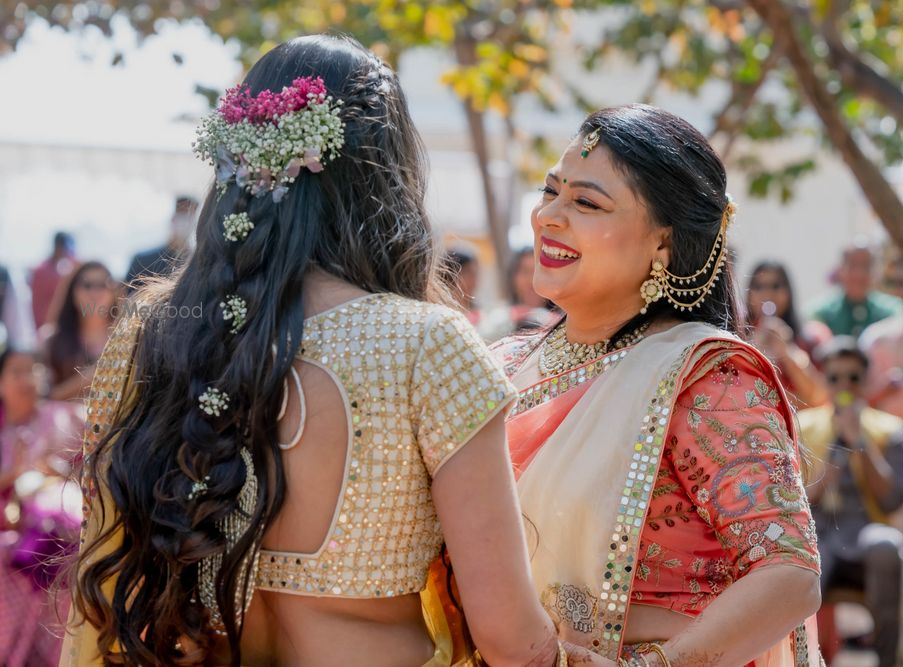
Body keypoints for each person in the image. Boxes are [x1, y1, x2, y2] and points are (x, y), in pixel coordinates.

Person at [61, 35, 599, 667]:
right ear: (385, 175)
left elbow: (100, 567)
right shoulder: (427, 347)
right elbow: (510, 640)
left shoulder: (154, 330)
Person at [491, 105, 822, 667]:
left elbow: (788, 574)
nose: (549, 216)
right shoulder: (504, 362)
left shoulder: (705, 379)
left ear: (664, 246)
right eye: (551, 192)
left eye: (586, 203)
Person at [798, 337, 903, 667]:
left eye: (853, 378)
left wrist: (860, 442)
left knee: (887, 546)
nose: (844, 385)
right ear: (825, 380)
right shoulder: (805, 427)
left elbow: (892, 499)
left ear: (865, 381)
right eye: (835, 378)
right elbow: (795, 499)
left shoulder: (889, 430)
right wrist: (827, 467)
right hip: (820, 534)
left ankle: (889, 659)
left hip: (866, 530)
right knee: (799, 560)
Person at [0, 347, 84, 666]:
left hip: (64, 534)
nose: (26, 378)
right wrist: (15, 475)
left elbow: (96, 465)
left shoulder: (67, 419)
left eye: (33, 369)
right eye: (16, 371)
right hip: (14, 542)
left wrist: (61, 473)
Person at [859, 250, 903, 484]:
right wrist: (881, 390)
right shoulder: (877, 338)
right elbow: (853, 396)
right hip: (891, 458)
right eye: (901, 282)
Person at [745, 260, 829, 408]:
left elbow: (819, 396)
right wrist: (753, 349)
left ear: (788, 291)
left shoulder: (812, 336)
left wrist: (787, 353)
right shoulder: (737, 336)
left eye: (776, 286)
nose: (768, 294)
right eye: (759, 287)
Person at [43, 261, 118, 401]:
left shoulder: (128, 338)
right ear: (73, 291)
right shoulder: (50, 340)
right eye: (87, 285)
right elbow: (42, 398)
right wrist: (94, 375)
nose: (95, 292)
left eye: (103, 285)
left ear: (114, 291)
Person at [808, 242, 903, 338]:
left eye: (865, 266)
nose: (859, 274)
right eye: (853, 265)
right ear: (841, 269)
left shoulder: (892, 310)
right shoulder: (820, 312)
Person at [124, 195, 198, 292]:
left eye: (189, 216)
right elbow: (126, 298)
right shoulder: (143, 261)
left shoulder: (198, 263)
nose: (184, 222)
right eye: (182, 214)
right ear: (173, 219)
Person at [30, 231, 78, 331]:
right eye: (66, 249)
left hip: (52, 327)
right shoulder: (43, 271)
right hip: (44, 327)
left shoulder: (45, 268)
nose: (68, 254)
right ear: (58, 247)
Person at [506, 246, 560, 333]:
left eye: (538, 272)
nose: (531, 280)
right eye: (525, 271)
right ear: (512, 277)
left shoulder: (563, 325)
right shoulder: (498, 322)